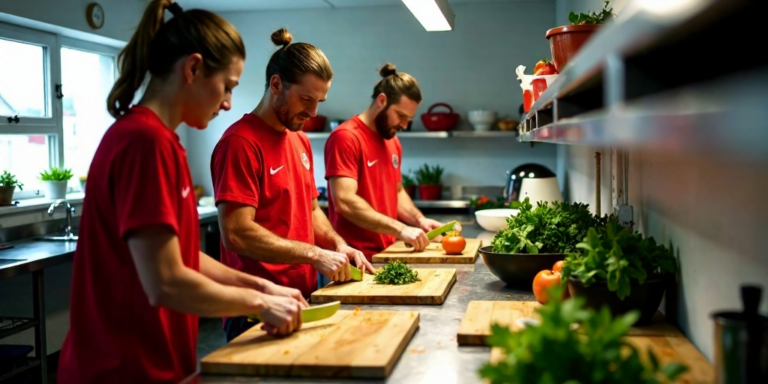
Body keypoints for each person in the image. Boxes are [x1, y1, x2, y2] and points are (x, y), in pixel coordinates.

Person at [57, 2, 307, 383]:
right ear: (192, 69)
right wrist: (259, 303)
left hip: (152, 361)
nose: (227, 103)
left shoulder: (162, 142)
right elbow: (167, 281)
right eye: (227, 87)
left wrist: (260, 285)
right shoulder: (145, 143)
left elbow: (184, 256)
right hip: (120, 367)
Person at [210, 28, 375, 342]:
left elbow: (310, 210)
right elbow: (236, 232)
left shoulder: (299, 139)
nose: (313, 112)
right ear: (276, 85)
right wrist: (314, 255)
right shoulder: (239, 143)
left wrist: (337, 245)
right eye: (306, 99)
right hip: (256, 309)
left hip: (303, 297)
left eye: (319, 101)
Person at [323, 63, 443, 259]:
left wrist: (419, 220)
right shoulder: (346, 137)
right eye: (401, 115)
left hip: (386, 254)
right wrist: (400, 228)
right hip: (355, 260)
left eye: (409, 119)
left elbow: (396, 192)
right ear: (381, 100)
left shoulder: (392, 141)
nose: (404, 124)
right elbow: (344, 201)